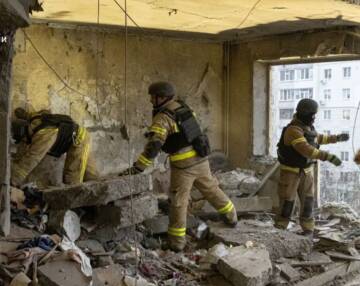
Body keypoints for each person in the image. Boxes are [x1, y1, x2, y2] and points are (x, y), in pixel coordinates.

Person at [120, 81, 237, 251]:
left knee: (178, 202)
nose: (151, 101)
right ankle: (231, 216)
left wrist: (138, 168)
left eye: (153, 97)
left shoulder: (163, 117)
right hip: (201, 160)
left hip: (184, 167)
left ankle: (176, 243)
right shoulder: (183, 107)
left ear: (162, 97)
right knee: (211, 190)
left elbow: (154, 147)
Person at [275, 98, 349, 236]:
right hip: (290, 173)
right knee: (287, 203)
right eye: (312, 115)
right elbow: (306, 149)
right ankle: (280, 230)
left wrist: (337, 138)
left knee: (308, 202)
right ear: (304, 113)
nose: (314, 118)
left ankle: (308, 229)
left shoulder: (307, 128)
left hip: (307, 172)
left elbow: (318, 138)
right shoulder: (293, 130)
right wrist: (329, 157)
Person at [11, 107, 97, 187]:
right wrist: (23, 114)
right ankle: (101, 194)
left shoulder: (42, 135)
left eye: (23, 140)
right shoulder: (36, 119)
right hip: (81, 134)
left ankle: (75, 202)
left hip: (78, 141)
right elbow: (43, 112)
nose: (25, 143)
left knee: (72, 178)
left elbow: (33, 157)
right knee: (90, 174)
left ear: (25, 134)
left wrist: (15, 179)